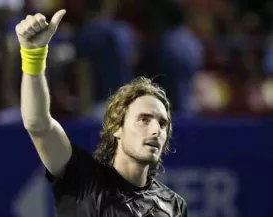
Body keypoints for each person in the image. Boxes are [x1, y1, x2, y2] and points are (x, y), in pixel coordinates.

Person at [15, 9, 188, 217]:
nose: (155, 130)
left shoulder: (173, 206)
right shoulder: (81, 180)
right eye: (144, 119)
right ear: (117, 128)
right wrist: (33, 56)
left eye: (163, 124)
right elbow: (38, 124)